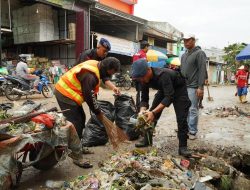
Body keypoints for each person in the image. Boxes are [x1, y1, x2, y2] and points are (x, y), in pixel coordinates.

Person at [54, 57, 120, 167]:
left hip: (69, 93)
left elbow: (103, 77)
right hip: (64, 93)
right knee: (76, 123)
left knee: (81, 118)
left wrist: (113, 87)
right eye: (112, 72)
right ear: (108, 68)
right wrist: (98, 112)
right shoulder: (90, 76)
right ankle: (76, 156)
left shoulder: (97, 65)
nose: (111, 75)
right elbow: (89, 97)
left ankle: (78, 146)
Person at [131, 59, 192, 157]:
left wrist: (153, 113)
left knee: (181, 118)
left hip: (179, 90)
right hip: (164, 90)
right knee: (149, 115)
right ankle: (147, 139)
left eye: (142, 77)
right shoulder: (143, 79)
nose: (141, 80)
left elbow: (169, 97)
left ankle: (183, 147)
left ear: (148, 70)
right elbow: (144, 98)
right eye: (139, 79)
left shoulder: (163, 75)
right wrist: (142, 111)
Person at [180, 34, 207, 140]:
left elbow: (202, 71)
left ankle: (192, 131)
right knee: (184, 108)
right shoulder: (184, 55)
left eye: (188, 40)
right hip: (184, 86)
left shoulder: (199, 53)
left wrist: (200, 87)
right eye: (184, 41)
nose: (186, 42)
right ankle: (185, 128)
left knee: (192, 109)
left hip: (194, 86)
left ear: (193, 40)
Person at [132, 40, 150, 111]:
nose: (148, 49)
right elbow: (144, 67)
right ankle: (140, 107)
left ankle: (137, 106)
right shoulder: (143, 55)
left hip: (135, 76)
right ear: (145, 47)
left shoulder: (136, 53)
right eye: (147, 47)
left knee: (138, 92)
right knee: (142, 92)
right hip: (141, 77)